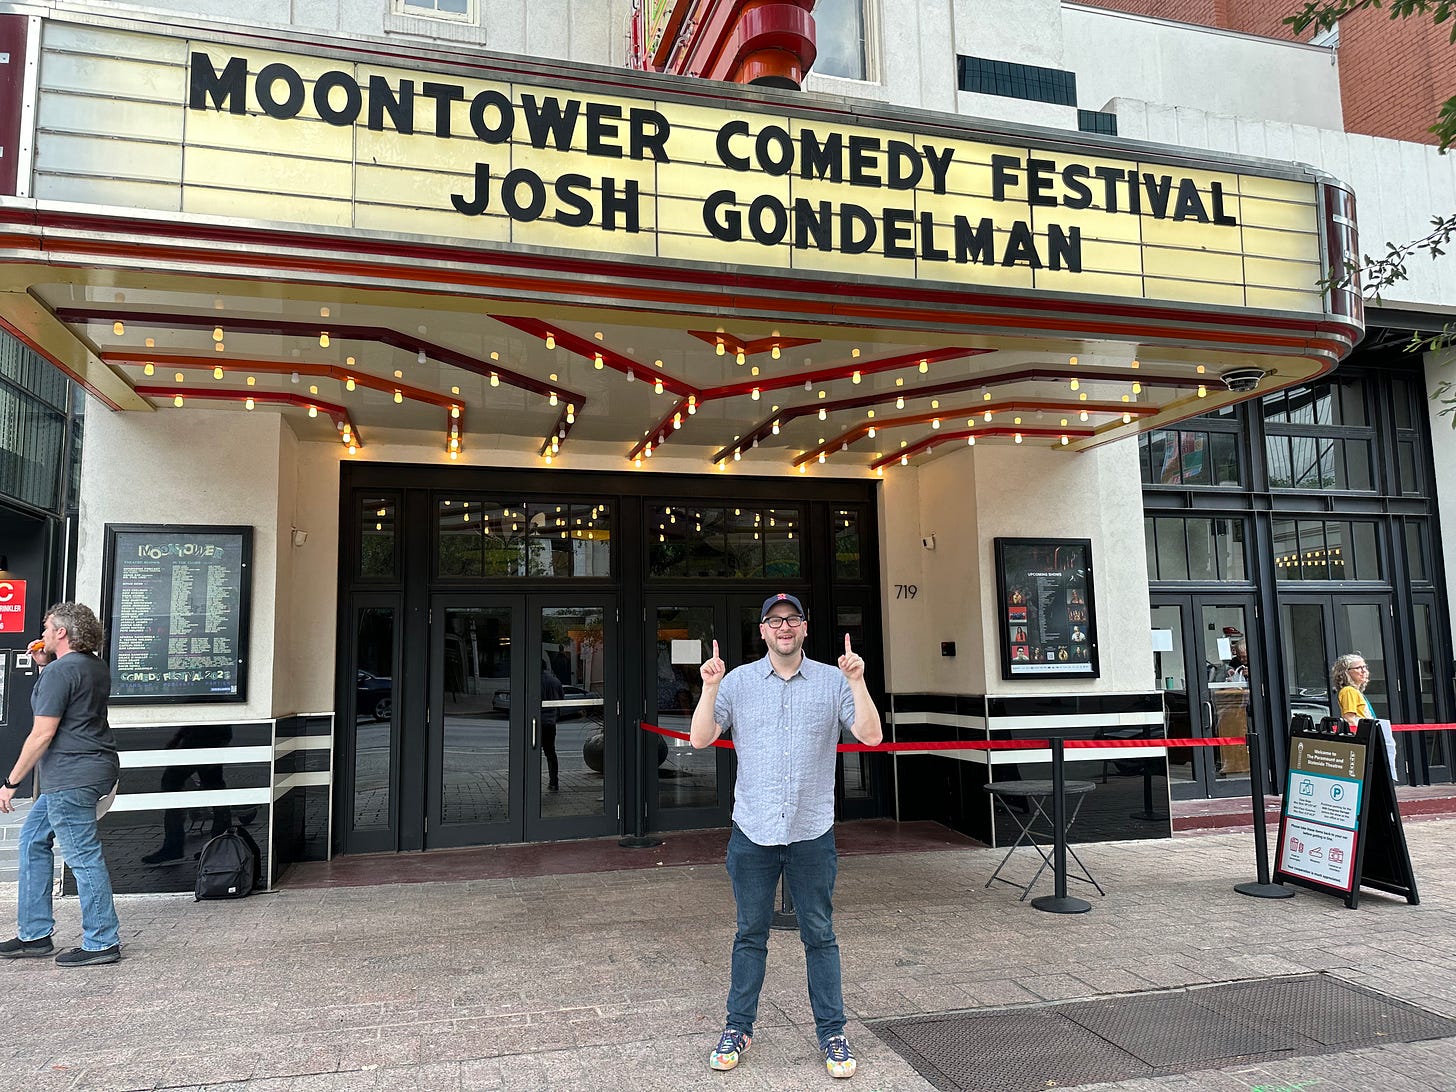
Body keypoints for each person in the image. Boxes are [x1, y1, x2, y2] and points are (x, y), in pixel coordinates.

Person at [691, 592, 882, 1080]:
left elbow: (871, 736)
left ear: (804, 628)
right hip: (753, 829)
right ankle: (737, 1027)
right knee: (750, 934)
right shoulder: (736, 681)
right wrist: (709, 687)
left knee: (819, 934)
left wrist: (857, 682)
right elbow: (700, 738)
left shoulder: (834, 680)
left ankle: (833, 1033)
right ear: (762, 631)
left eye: (792, 619)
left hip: (811, 830)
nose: (783, 627)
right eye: (774, 621)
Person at [0, 602, 122, 966]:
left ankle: (102, 941)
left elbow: (42, 734)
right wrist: (45, 665)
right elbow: (70, 703)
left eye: (46, 628)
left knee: (83, 857)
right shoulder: (92, 666)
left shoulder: (60, 672)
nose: (41, 635)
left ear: (62, 633)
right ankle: (34, 935)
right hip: (92, 771)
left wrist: (11, 782)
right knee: (33, 840)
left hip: (71, 778)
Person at [541, 661, 564, 791]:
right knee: (550, 753)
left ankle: (530, 781)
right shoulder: (555, 681)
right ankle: (554, 782)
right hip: (550, 722)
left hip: (537, 721)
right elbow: (561, 698)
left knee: (531, 752)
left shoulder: (534, 680)